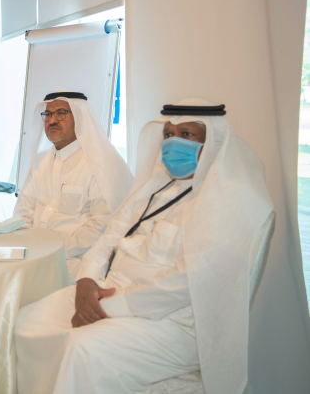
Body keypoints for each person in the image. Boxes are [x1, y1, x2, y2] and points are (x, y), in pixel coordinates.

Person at [14, 99, 274, 394]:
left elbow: (187, 283)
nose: (174, 143)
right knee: (27, 322)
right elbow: (108, 238)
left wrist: (109, 306)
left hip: (172, 323)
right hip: (106, 293)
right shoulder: (153, 188)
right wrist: (86, 279)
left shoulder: (229, 202)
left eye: (186, 135)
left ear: (213, 142)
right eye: (168, 135)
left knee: (81, 349)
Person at [13, 91, 132, 278]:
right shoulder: (40, 161)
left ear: (79, 117)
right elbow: (24, 211)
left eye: (61, 113)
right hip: (35, 253)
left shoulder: (100, 164)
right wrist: (32, 244)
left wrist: (55, 248)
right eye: (48, 114)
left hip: (78, 261)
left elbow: (103, 223)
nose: (53, 120)